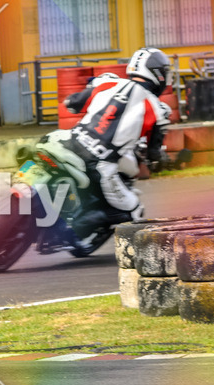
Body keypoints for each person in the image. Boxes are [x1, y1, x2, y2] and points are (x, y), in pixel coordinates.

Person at [59, 47, 173, 245]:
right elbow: (154, 153)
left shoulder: (108, 82)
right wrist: (163, 159)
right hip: (100, 165)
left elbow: (71, 103)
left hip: (68, 144)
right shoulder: (157, 109)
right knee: (133, 209)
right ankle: (72, 230)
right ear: (158, 74)